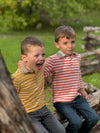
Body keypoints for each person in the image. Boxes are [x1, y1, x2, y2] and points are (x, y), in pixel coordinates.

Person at [44, 25, 99, 133]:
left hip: (77, 98)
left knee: (94, 118)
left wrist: (81, 89)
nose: (70, 46)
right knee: (76, 122)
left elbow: (77, 74)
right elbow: (43, 73)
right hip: (62, 101)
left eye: (72, 42)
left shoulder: (76, 57)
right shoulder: (53, 60)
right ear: (57, 44)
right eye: (65, 43)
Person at [12, 36, 66, 133]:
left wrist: (66, 50)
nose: (41, 58)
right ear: (24, 58)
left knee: (61, 131)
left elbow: (55, 57)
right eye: (36, 56)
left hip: (44, 110)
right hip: (29, 115)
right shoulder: (17, 78)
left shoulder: (41, 67)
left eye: (43, 54)